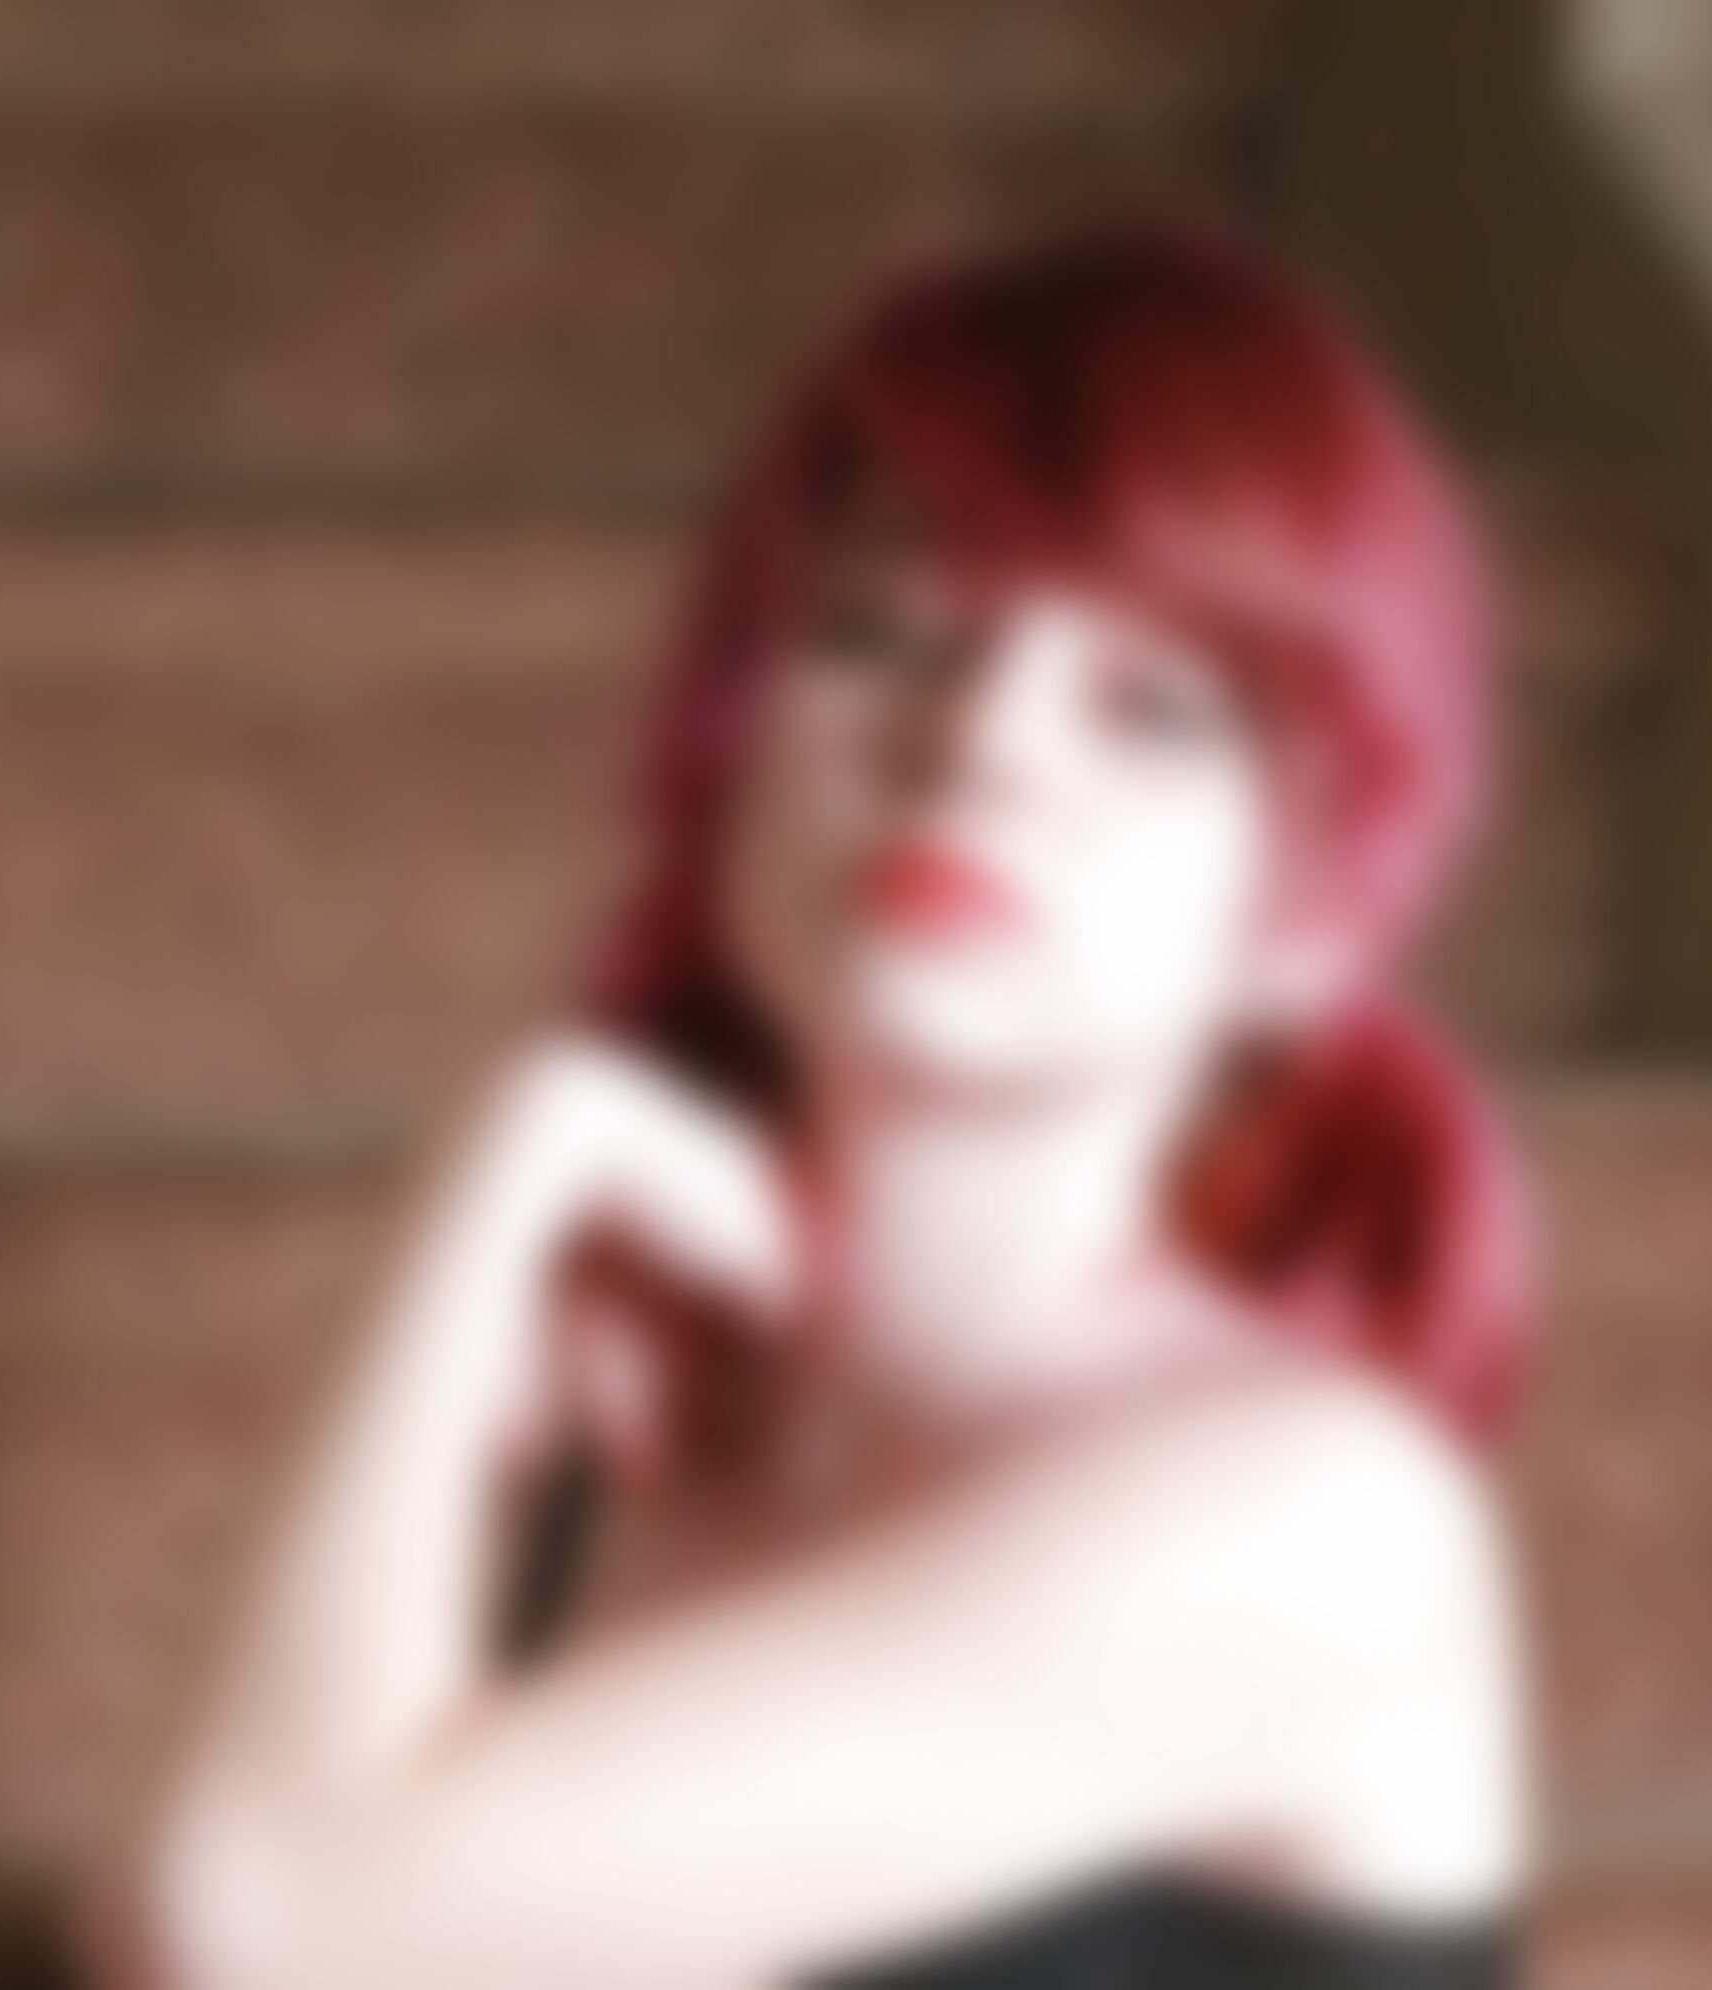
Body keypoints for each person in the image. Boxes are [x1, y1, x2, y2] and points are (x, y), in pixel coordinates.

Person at [79, 214, 1540, 1990]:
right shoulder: (660, 1418)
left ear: (1311, 917)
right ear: (732, 757)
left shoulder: (1316, 1521)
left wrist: (506, 1159)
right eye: (884, 633)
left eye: (1151, 706)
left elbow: (252, 1930)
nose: (978, 742)